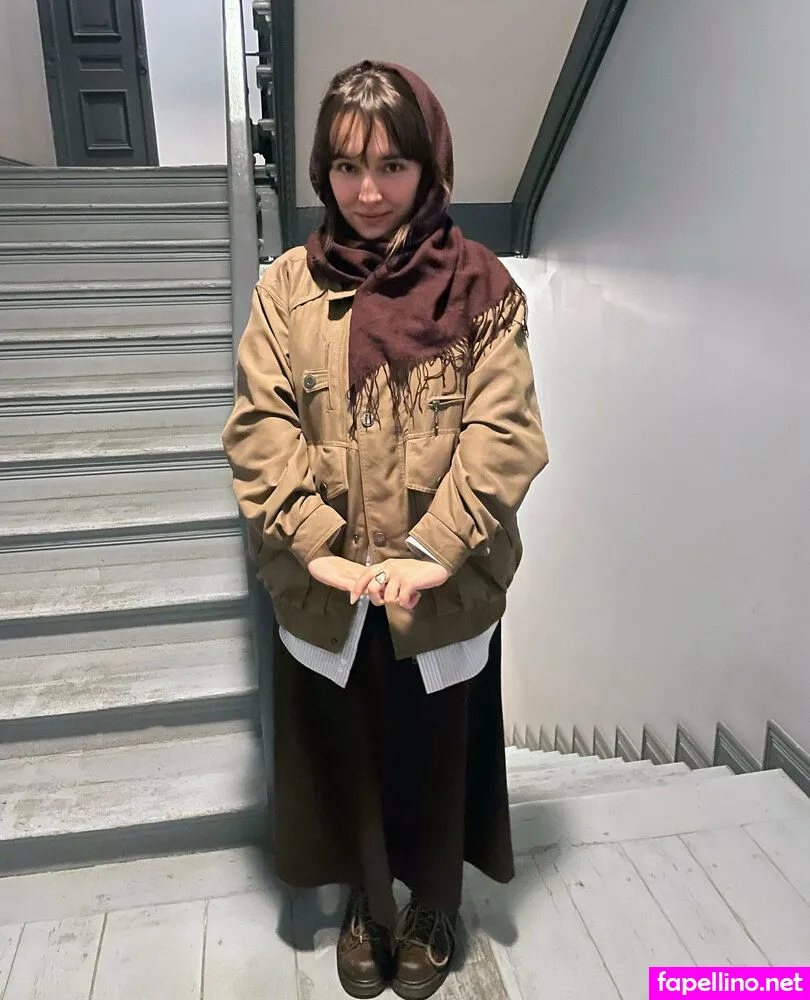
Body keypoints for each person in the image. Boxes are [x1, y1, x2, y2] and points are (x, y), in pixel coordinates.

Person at [221, 60, 548, 1000]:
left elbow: (503, 433)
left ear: (429, 166)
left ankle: (434, 905)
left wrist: (431, 551)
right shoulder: (286, 288)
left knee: (437, 749)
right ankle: (367, 904)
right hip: (325, 587)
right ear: (322, 170)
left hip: (442, 587)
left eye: (392, 166)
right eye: (347, 166)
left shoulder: (482, 285)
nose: (367, 192)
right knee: (350, 749)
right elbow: (260, 424)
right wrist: (315, 539)